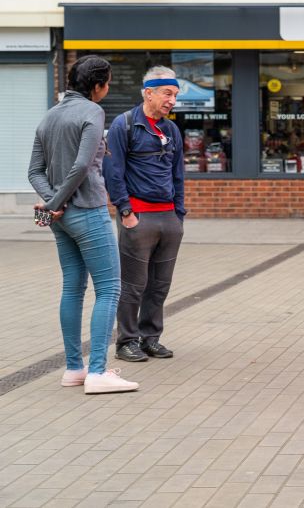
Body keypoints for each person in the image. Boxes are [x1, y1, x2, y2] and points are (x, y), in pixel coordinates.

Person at [27, 55, 139, 394]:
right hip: (87, 211)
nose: (107, 88)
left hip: (60, 219)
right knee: (109, 288)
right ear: (97, 85)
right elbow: (81, 166)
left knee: (73, 288)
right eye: (107, 83)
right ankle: (99, 373)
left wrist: (52, 204)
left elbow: (34, 171)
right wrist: (56, 203)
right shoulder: (92, 111)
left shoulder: (50, 115)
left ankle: (74, 369)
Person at [103, 66, 185, 363]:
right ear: (148, 93)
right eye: (167, 93)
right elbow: (112, 172)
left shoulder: (171, 130)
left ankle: (151, 339)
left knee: (159, 286)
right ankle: (126, 342)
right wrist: (126, 211)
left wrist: (179, 215)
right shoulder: (124, 125)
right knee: (133, 286)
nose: (172, 100)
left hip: (168, 218)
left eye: (175, 95)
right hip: (138, 217)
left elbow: (178, 175)